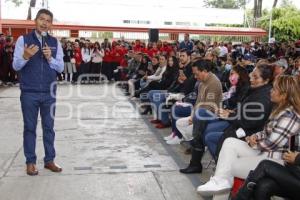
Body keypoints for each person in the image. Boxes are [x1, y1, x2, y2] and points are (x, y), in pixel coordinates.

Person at [197, 75, 300, 198]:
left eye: (274, 89)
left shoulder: (289, 116)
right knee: (230, 142)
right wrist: (254, 136)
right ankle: (220, 182)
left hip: (274, 158)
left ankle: (221, 183)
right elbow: (266, 131)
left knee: (231, 166)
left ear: (283, 95)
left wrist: (254, 142)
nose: (271, 91)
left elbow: (270, 143)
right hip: (264, 151)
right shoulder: (279, 109)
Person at [12, 9, 64, 176]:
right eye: (41, 19)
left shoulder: (56, 43)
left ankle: (49, 160)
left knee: (49, 128)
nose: (44, 23)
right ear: (35, 21)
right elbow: (15, 66)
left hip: (49, 93)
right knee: (30, 128)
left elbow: (60, 68)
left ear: (51, 24)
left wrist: (51, 58)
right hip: (29, 92)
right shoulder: (23, 39)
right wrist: (25, 56)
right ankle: (30, 162)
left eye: (48, 20)